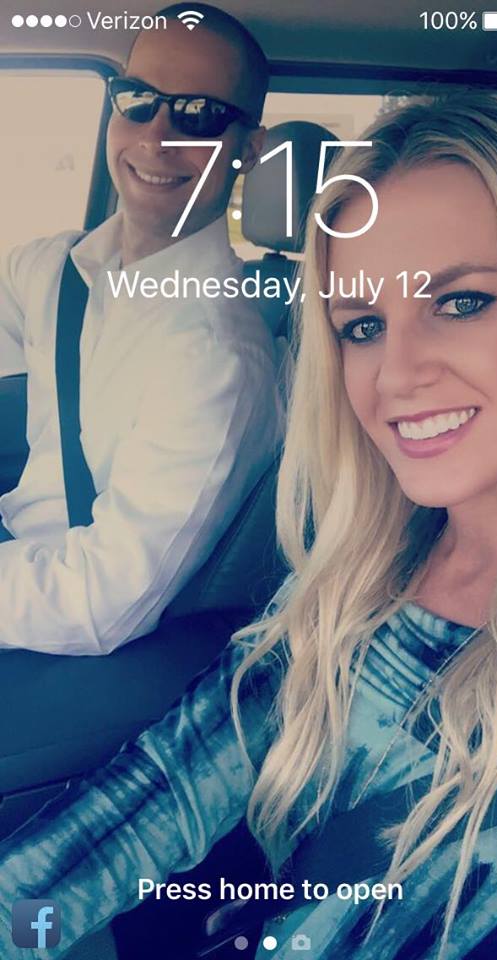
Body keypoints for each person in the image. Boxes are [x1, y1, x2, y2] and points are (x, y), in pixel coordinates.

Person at [0, 91, 497, 959]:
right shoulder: (351, 582)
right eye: (362, 326)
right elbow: (162, 796)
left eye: (462, 302)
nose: (396, 373)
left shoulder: (212, 347)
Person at [0, 3, 283, 654]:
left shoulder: (218, 355)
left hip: (69, 637)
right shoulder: (51, 269)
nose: (156, 137)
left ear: (249, 150)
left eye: (199, 115)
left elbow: (102, 601)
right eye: (137, 99)